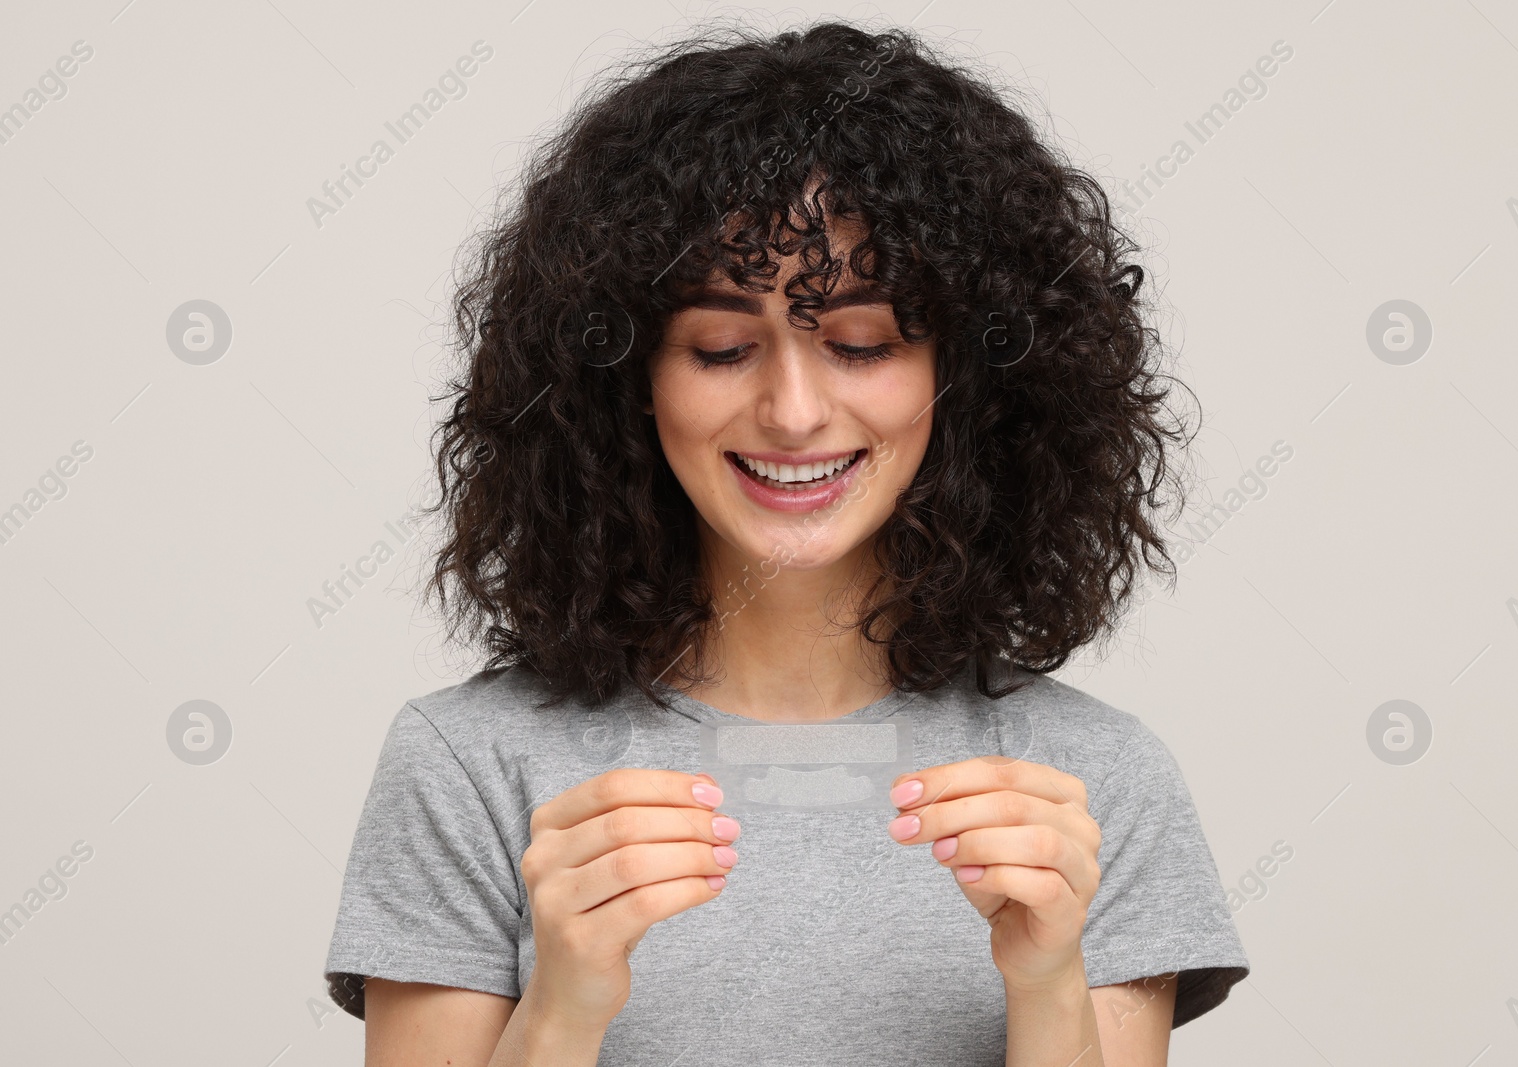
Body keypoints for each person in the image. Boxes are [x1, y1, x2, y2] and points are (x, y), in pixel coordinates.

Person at [323, 18, 1248, 1066]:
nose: (794, 410)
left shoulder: (1091, 780)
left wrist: (1045, 980)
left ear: (968, 373)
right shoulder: (471, 765)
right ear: (624, 377)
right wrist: (565, 1002)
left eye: (860, 341)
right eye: (721, 347)